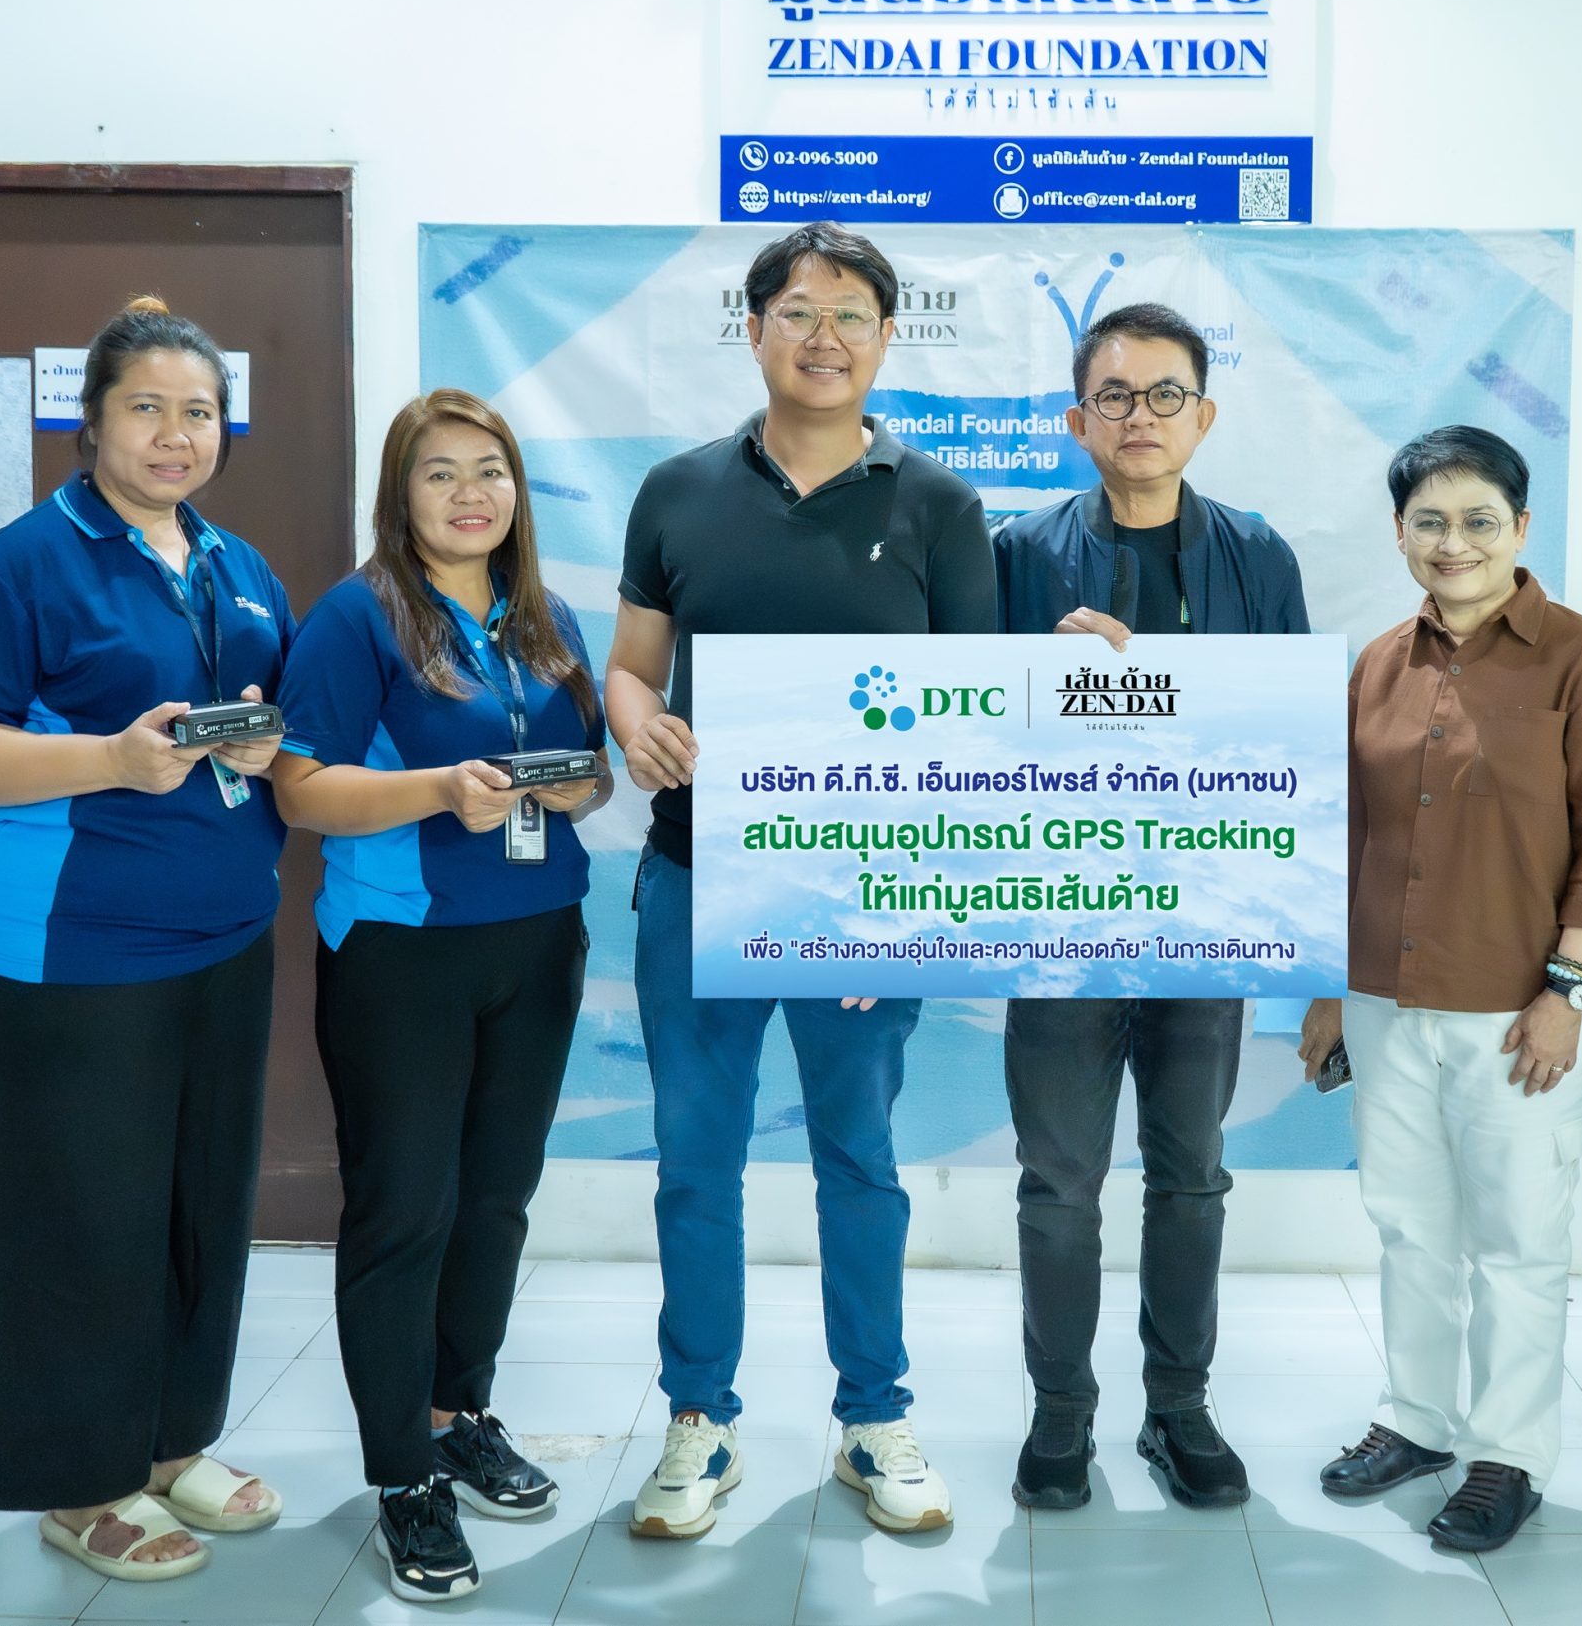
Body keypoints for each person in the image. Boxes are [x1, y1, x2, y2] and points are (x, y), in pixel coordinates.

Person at [0, 296, 288, 1582]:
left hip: (223, 930)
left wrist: (257, 746)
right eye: (146, 408)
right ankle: (82, 1479)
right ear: (92, 421)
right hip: (74, 944)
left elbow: (254, 723)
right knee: (81, 1215)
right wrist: (106, 760)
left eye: (198, 412)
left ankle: (170, 1445)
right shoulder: (21, 565)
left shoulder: (234, 562)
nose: (176, 435)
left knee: (196, 1204)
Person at [607, 222, 997, 1540]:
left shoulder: (938, 505)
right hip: (696, 876)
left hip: (864, 897)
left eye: (851, 316)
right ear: (754, 328)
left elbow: (972, 721)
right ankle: (699, 1420)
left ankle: (874, 1416)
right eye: (798, 311)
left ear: (886, 338)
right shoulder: (676, 490)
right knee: (694, 1162)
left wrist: (903, 901)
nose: (823, 337)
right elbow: (632, 666)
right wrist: (636, 723)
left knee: (859, 1161)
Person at [270, 390, 612, 1602]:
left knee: (494, 1199)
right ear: (399, 493)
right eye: (440, 472)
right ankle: (401, 1471)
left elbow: (590, 768)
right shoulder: (356, 616)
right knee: (405, 1207)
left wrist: (577, 788)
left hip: (538, 940)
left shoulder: (545, 614)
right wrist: (435, 790)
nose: (471, 493)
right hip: (401, 952)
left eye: (491, 470)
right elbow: (299, 786)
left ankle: (457, 1410)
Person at [1296, 425, 1582, 1551]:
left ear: (1521, 527)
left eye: (1479, 520)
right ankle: (1416, 1420)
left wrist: (1569, 989)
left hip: (1521, 1009)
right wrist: (1327, 988)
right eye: (1430, 521)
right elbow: (1342, 835)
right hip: (1384, 1000)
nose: (1454, 542)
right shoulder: (1376, 664)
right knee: (1410, 1227)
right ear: (1399, 531)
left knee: (1515, 1242)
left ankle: (1510, 1452)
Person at [989, 301, 1309, 1511]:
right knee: (1058, 1183)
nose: (1140, 416)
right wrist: (1043, 686)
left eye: (1165, 393)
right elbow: (960, 741)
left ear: (1203, 416)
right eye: (1114, 395)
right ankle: (1060, 1412)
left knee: (1190, 1175)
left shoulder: (1258, 555)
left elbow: (1286, 743)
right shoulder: (1015, 554)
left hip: (1202, 919)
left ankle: (1178, 1407)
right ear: (1077, 420)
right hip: (1060, 923)